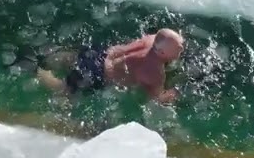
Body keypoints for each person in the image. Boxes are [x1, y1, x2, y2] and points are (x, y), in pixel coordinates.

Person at [35, 28, 185, 104]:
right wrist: (175, 93)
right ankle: (37, 72)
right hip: (99, 75)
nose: (181, 50)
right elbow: (156, 98)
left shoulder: (151, 39)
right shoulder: (155, 71)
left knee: (73, 58)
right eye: (178, 49)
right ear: (162, 52)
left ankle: (44, 59)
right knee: (63, 89)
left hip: (101, 53)